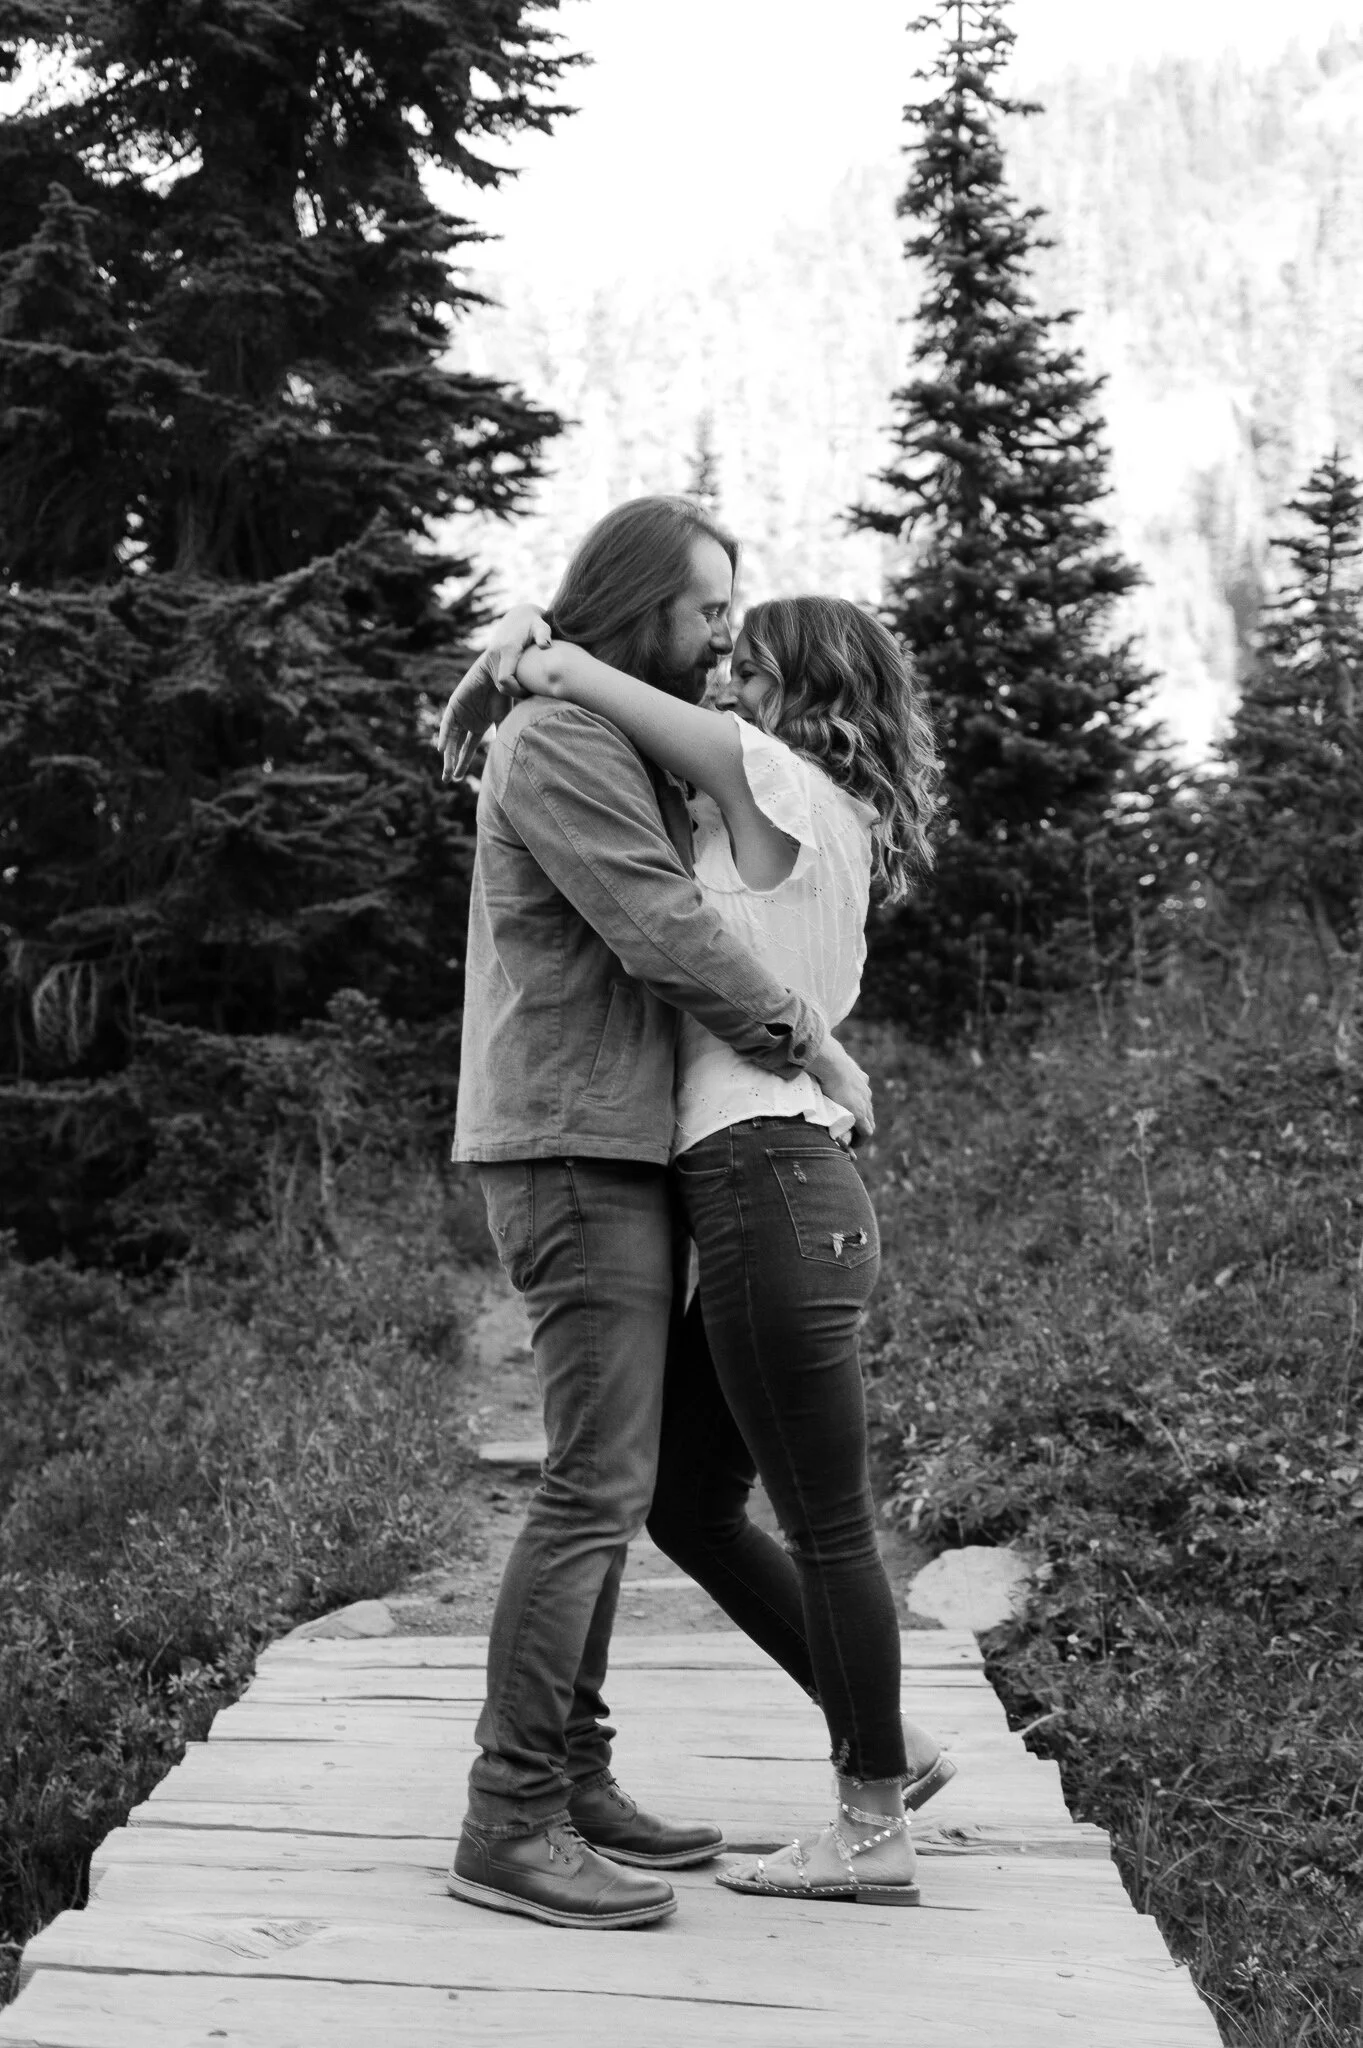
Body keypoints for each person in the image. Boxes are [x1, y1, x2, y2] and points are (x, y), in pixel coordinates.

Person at [438, 498, 872, 1930]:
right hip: (571, 1142)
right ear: (640, 608)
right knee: (598, 1482)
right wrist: (807, 1041)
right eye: (705, 614)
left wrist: (517, 649)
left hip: (618, 1140)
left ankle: (573, 1778)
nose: (720, 643)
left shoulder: (604, 729)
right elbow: (656, 923)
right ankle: (509, 1817)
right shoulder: (561, 743)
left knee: (608, 1478)